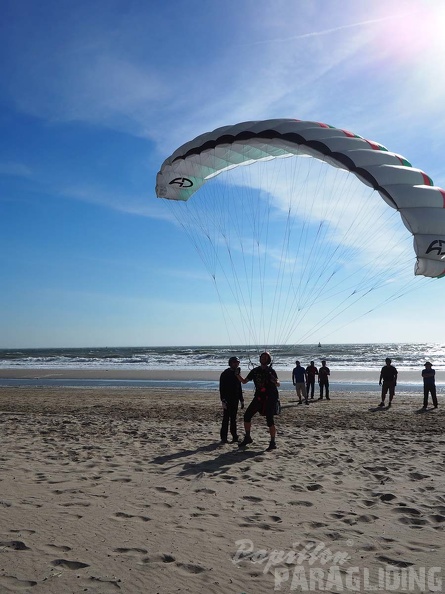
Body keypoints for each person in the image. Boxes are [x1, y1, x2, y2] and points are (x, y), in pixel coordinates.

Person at [237, 352, 280, 451]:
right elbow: (244, 381)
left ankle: (273, 442)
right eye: (262, 357)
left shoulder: (271, 371)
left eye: (265, 357)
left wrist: (275, 381)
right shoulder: (255, 371)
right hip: (259, 396)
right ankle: (248, 437)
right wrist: (237, 374)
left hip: (270, 397)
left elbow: (278, 384)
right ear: (260, 359)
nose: (263, 358)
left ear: (268, 360)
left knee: (270, 419)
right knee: (247, 416)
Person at [219, 356, 244, 443]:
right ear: (230, 363)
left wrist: (242, 399)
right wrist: (223, 400)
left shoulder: (237, 374)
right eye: (234, 362)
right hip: (227, 399)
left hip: (235, 399)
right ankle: (224, 437)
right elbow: (221, 389)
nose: (236, 364)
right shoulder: (225, 373)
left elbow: (239, 387)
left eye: (237, 362)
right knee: (226, 418)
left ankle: (234, 437)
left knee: (233, 418)